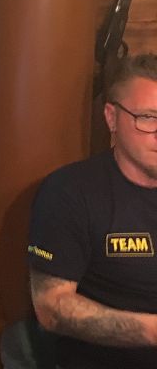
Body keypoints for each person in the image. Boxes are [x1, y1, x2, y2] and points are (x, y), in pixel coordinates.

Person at [26, 53, 157, 369]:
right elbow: (51, 307)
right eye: (148, 118)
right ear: (112, 118)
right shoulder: (70, 191)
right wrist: (152, 331)